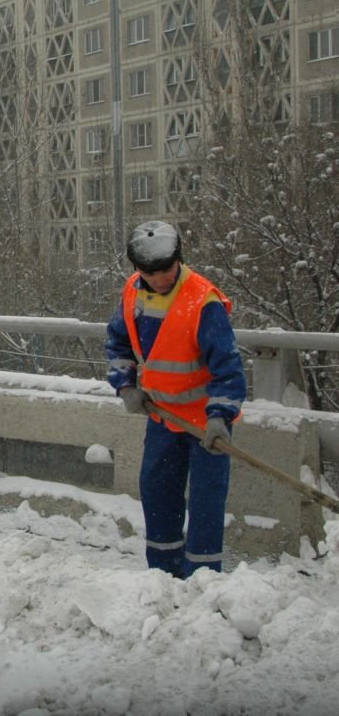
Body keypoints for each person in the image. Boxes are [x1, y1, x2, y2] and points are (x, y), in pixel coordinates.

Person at [105, 220, 246, 578]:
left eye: (166, 270)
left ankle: (202, 577)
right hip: (162, 416)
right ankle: (163, 574)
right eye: (149, 272)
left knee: (205, 502)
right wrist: (126, 387)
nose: (159, 279)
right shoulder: (132, 294)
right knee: (158, 493)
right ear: (137, 269)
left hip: (204, 423)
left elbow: (228, 367)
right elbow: (118, 344)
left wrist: (220, 416)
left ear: (178, 260)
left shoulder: (202, 300)